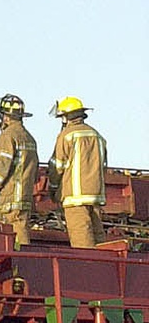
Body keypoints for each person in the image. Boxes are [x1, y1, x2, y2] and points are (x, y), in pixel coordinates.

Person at [46, 96, 108, 247]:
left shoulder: (67, 135)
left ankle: (88, 268)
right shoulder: (97, 136)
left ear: (66, 117)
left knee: (82, 238)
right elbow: (103, 166)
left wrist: (53, 189)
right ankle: (103, 267)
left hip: (75, 197)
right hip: (96, 196)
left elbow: (57, 166)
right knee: (98, 235)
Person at [0, 94, 39, 247]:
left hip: (11, 198)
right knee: (21, 230)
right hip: (24, 196)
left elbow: (2, 165)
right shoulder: (29, 138)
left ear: (6, 117)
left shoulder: (8, 136)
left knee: (15, 237)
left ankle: (20, 265)